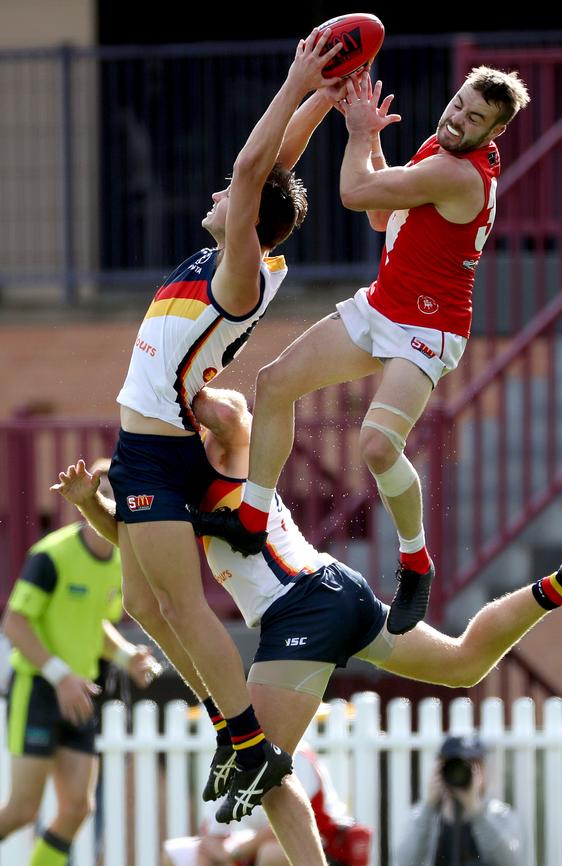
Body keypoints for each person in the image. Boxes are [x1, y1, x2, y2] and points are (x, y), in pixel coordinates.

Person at [52, 387, 562, 826]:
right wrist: (88, 504)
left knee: (263, 772)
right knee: (466, 663)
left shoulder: (227, 437)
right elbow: (146, 549)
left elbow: (227, 412)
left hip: (303, 607)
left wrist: (177, 377)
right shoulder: (176, 486)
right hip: (330, 592)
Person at [81, 29, 356, 860]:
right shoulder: (244, 254)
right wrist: (323, 98)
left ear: (247, 221)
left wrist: (293, 77)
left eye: (234, 198)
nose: (220, 192)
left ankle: (243, 742)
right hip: (144, 450)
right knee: (140, 606)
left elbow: (250, 175)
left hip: (161, 456)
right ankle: (229, 721)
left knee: (181, 606)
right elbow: (271, 174)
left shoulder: (239, 272)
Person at [202, 66, 531, 637]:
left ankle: (414, 562)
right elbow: (384, 215)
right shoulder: (440, 149)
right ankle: (252, 519)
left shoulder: (460, 172)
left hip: (428, 330)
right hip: (383, 307)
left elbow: (355, 195)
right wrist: (374, 136)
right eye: (457, 104)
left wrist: (357, 132)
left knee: (377, 446)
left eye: (474, 118)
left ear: (493, 133)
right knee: (275, 383)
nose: (457, 118)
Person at [0, 460, 158, 866]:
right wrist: (60, 676)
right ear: (85, 500)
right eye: (102, 493)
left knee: (77, 809)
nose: (111, 502)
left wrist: (127, 657)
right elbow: (14, 624)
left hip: (80, 693)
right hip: (39, 688)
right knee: (21, 811)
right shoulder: (51, 555)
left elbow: (96, 625)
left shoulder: (122, 561)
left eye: (119, 494)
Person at [162, 739, 368, 866]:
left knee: (273, 853)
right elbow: (210, 837)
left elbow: (289, 822)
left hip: (323, 846)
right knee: (176, 852)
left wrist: (234, 853)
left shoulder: (295, 755)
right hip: (256, 845)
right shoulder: (230, 761)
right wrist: (221, 855)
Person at [395, 734, 522, 866]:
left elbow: (510, 861)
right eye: (455, 765)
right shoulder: (424, 815)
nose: (462, 772)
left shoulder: (501, 814)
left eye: (473, 764)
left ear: (483, 771)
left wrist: (476, 810)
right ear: (440, 769)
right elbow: (404, 861)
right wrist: (429, 806)